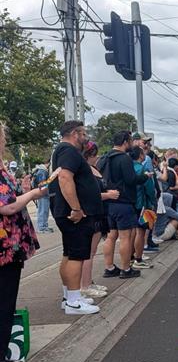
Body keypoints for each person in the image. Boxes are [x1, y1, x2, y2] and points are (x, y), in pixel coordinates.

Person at [0, 121, 46, 362]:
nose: (5, 140)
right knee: (5, 298)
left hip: (10, 244)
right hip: (5, 245)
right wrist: (32, 195)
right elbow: (7, 206)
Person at [49, 120, 103, 315]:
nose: (85, 138)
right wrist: (76, 208)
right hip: (75, 215)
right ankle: (73, 301)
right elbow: (65, 177)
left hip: (71, 213)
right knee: (77, 256)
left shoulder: (62, 151)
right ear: (74, 133)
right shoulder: (69, 151)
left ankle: (69, 297)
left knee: (69, 253)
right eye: (83, 134)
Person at [99, 131, 150, 279]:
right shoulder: (124, 159)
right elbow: (131, 179)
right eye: (130, 141)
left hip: (108, 201)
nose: (132, 144)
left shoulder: (105, 158)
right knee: (125, 237)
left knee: (111, 236)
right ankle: (126, 268)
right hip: (123, 201)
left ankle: (109, 267)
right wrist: (144, 177)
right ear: (125, 142)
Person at [80, 142, 119, 300]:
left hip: (99, 213)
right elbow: (89, 194)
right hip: (92, 214)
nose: (97, 157)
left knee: (92, 251)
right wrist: (108, 195)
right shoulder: (85, 171)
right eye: (95, 154)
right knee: (88, 252)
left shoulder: (93, 169)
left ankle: (88, 281)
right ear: (88, 155)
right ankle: (85, 285)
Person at [131, 146, 157, 270]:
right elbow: (149, 189)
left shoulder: (128, 167)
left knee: (130, 233)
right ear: (141, 155)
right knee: (140, 232)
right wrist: (153, 201)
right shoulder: (143, 169)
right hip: (142, 204)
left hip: (130, 202)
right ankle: (138, 258)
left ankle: (130, 257)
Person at [32, 162, 53, 233]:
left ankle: (44, 225)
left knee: (44, 211)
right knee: (43, 211)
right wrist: (51, 179)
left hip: (43, 194)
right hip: (42, 194)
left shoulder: (41, 171)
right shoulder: (42, 171)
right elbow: (42, 184)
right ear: (47, 163)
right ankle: (42, 227)